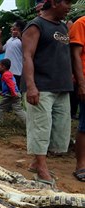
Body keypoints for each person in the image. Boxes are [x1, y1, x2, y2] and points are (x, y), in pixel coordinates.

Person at [23, 0, 72, 186]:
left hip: (61, 86)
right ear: (53, 2)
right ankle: (42, 169)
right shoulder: (36, 25)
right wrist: (31, 86)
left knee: (59, 129)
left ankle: (36, 162)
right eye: (67, 2)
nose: (69, 7)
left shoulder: (62, 27)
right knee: (41, 127)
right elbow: (27, 55)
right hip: (41, 85)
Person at [71, 14, 85, 182]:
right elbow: (75, 55)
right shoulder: (81, 23)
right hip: (84, 79)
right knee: (84, 124)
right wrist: (81, 83)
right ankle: (81, 165)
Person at [0, 20, 25, 88]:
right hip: (6, 72)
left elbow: (27, 49)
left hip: (16, 72)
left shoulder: (23, 40)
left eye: (14, 27)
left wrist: (20, 36)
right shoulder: (10, 40)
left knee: (16, 94)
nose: (11, 28)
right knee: (5, 92)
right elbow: (1, 50)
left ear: (19, 29)